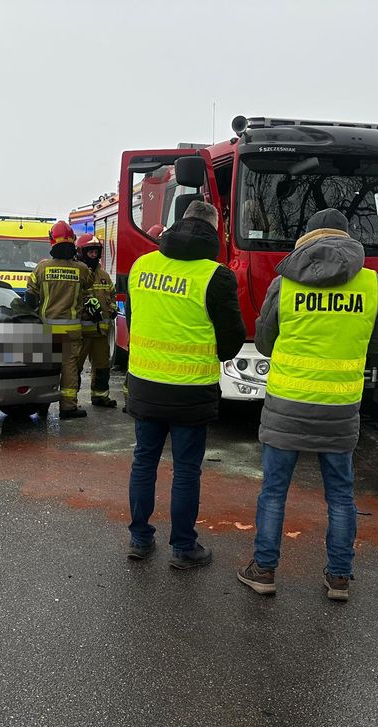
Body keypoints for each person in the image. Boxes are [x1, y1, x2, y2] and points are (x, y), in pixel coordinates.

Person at [237, 208, 378, 601]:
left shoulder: (284, 284)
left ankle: (264, 571)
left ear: (307, 238)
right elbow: (376, 344)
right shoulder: (371, 285)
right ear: (347, 238)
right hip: (340, 406)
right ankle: (339, 577)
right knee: (340, 494)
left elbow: (266, 342)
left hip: (287, 404)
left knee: (274, 491)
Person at [126, 201, 245, 569]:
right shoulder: (216, 276)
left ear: (179, 224)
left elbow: (134, 318)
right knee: (186, 470)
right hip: (191, 391)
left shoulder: (141, 266)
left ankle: (140, 539)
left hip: (145, 384)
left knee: (144, 462)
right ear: (213, 231)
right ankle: (183, 547)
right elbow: (231, 341)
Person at [25, 220, 94, 419]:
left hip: (47, 329)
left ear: (51, 241)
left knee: (45, 369)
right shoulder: (81, 269)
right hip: (72, 331)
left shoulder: (41, 268)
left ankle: (42, 406)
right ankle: (68, 407)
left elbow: (30, 298)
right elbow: (89, 285)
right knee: (69, 368)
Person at [75, 233, 117, 408]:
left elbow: (112, 297)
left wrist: (113, 310)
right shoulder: (77, 273)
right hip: (81, 334)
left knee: (102, 366)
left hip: (101, 332)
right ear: (81, 253)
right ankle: (70, 400)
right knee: (74, 368)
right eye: (90, 252)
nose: (93, 255)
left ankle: (100, 396)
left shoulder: (104, 276)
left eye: (95, 252)